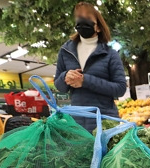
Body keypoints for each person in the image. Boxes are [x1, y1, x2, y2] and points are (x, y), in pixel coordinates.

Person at [54, 2, 127, 131]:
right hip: (77, 122)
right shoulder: (65, 51)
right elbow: (59, 86)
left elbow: (120, 88)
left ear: (98, 26)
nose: (82, 20)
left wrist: (86, 81)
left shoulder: (110, 54)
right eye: (79, 16)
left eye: (87, 17)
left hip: (105, 122)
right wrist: (65, 77)